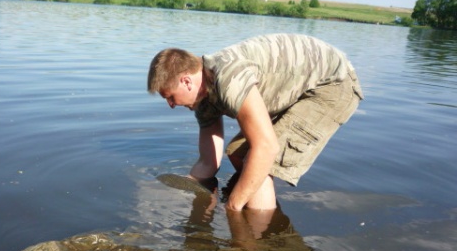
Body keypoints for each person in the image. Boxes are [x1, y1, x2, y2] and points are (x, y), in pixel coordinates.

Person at [147, 33, 364, 212]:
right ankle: (261, 212)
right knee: (237, 153)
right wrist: (188, 189)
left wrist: (233, 206)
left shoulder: (229, 79)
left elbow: (266, 148)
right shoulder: (202, 99)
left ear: (186, 81)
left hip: (332, 84)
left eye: (170, 96)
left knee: (258, 160)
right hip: (297, 86)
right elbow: (208, 163)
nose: (170, 104)